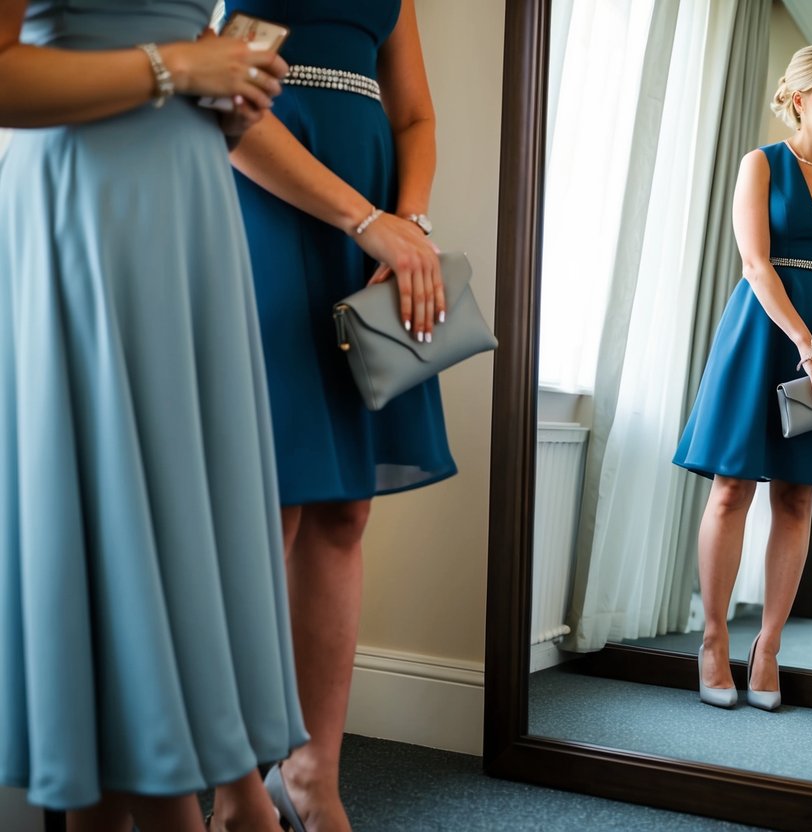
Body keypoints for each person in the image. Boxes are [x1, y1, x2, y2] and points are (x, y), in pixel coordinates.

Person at [0, 2, 307, 831]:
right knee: (109, 531)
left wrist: (227, 107)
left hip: (190, 197)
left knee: (174, 524)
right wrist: (174, 67)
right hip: (88, 199)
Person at [221, 1, 455, 828]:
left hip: (377, 225)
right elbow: (224, 105)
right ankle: (235, 781)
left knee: (344, 511)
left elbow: (416, 112)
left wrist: (410, 229)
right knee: (270, 506)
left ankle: (313, 772)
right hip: (261, 205)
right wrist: (369, 222)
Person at [673, 44, 812, 711]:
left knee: (798, 497)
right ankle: (710, 640)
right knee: (732, 488)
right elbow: (755, 265)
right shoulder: (759, 164)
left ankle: (767, 647)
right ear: (797, 96)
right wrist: (805, 342)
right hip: (764, 332)